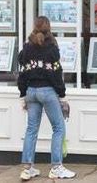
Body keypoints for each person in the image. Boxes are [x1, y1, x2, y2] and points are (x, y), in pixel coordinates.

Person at [17, 16, 76, 181]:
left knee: (31, 129)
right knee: (58, 128)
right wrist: (62, 95)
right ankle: (56, 167)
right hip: (47, 91)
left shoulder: (27, 48)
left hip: (31, 91)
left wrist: (23, 93)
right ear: (49, 29)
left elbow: (22, 69)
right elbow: (56, 74)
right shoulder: (51, 48)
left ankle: (27, 169)